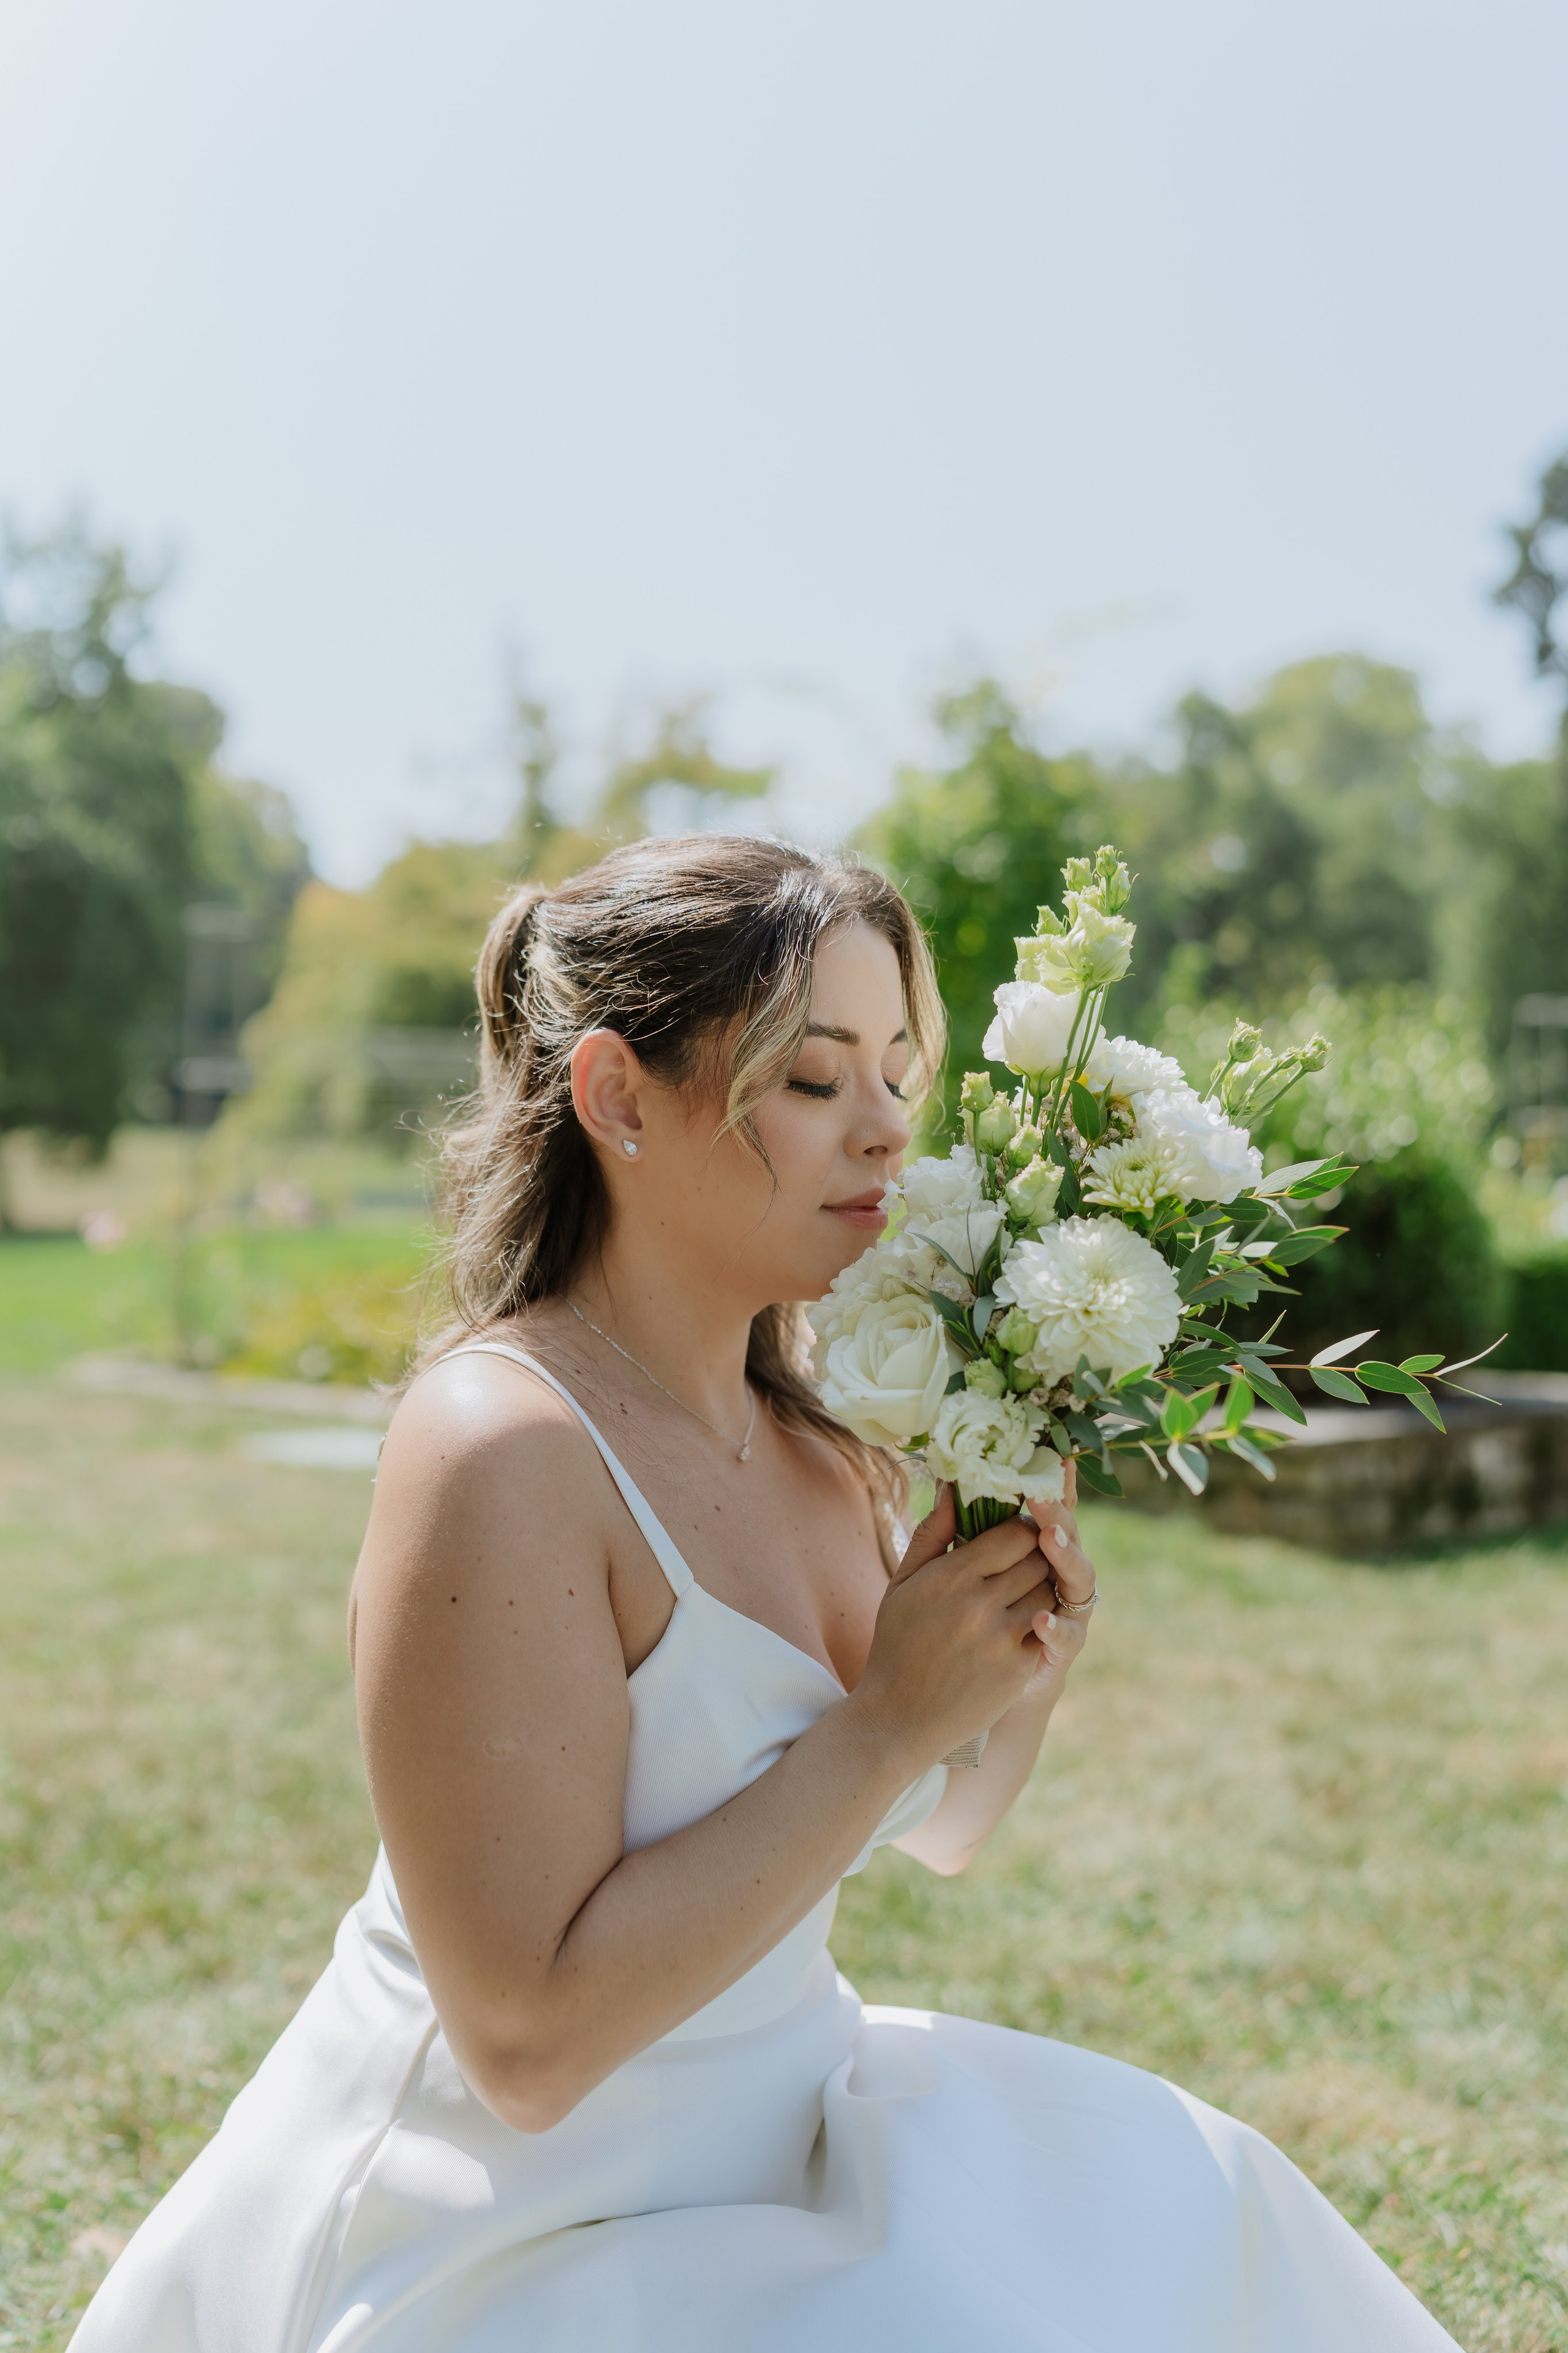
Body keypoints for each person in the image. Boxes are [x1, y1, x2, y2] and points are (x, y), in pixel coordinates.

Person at [74, 836, 1460, 2351]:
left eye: (895, 1078)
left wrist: (1011, 1655)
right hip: (502, 2222)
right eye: (812, 1083)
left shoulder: (812, 1433)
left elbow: (937, 1825)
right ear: (615, 1099)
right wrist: (879, 1725)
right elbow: (525, 2043)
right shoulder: (504, 1449)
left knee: (1204, 2203)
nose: (882, 1136)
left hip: (778, 2129)